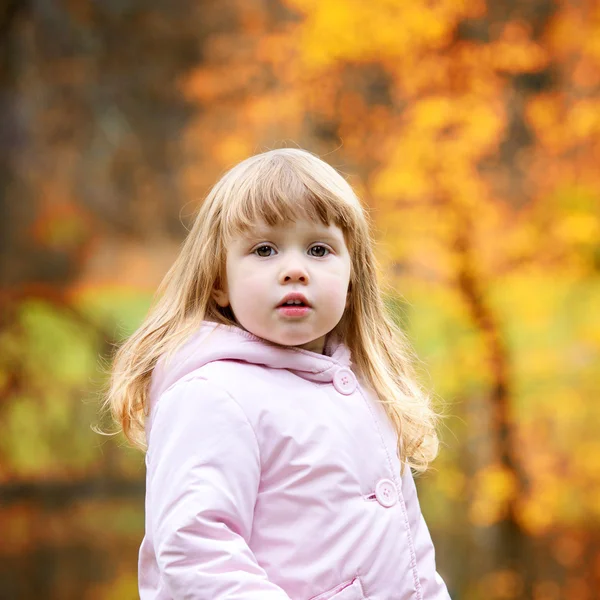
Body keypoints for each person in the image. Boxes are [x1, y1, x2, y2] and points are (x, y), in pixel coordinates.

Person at [105, 147, 452, 599]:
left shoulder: (366, 389)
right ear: (219, 282)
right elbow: (195, 548)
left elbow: (408, 549)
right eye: (264, 249)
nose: (294, 270)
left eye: (319, 249)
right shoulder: (212, 396)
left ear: (351, 279)